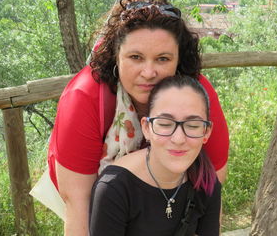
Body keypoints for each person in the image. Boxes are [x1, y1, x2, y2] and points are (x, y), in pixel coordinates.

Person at [47, 0, 228, 235]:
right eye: (136, 57)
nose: (149, 72)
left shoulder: (196, 97)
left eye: (163, 59)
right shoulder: (85, 97)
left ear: (178, 61)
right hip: (98, 194)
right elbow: (78, 207)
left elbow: (211, 185)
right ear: (116, 57)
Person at [89, 75, 221, 236]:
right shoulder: (114, 189)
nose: (178, 139)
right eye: (165, 124)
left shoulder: (206, 182)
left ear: (206, 132)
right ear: (146, 128)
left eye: (193, 125)